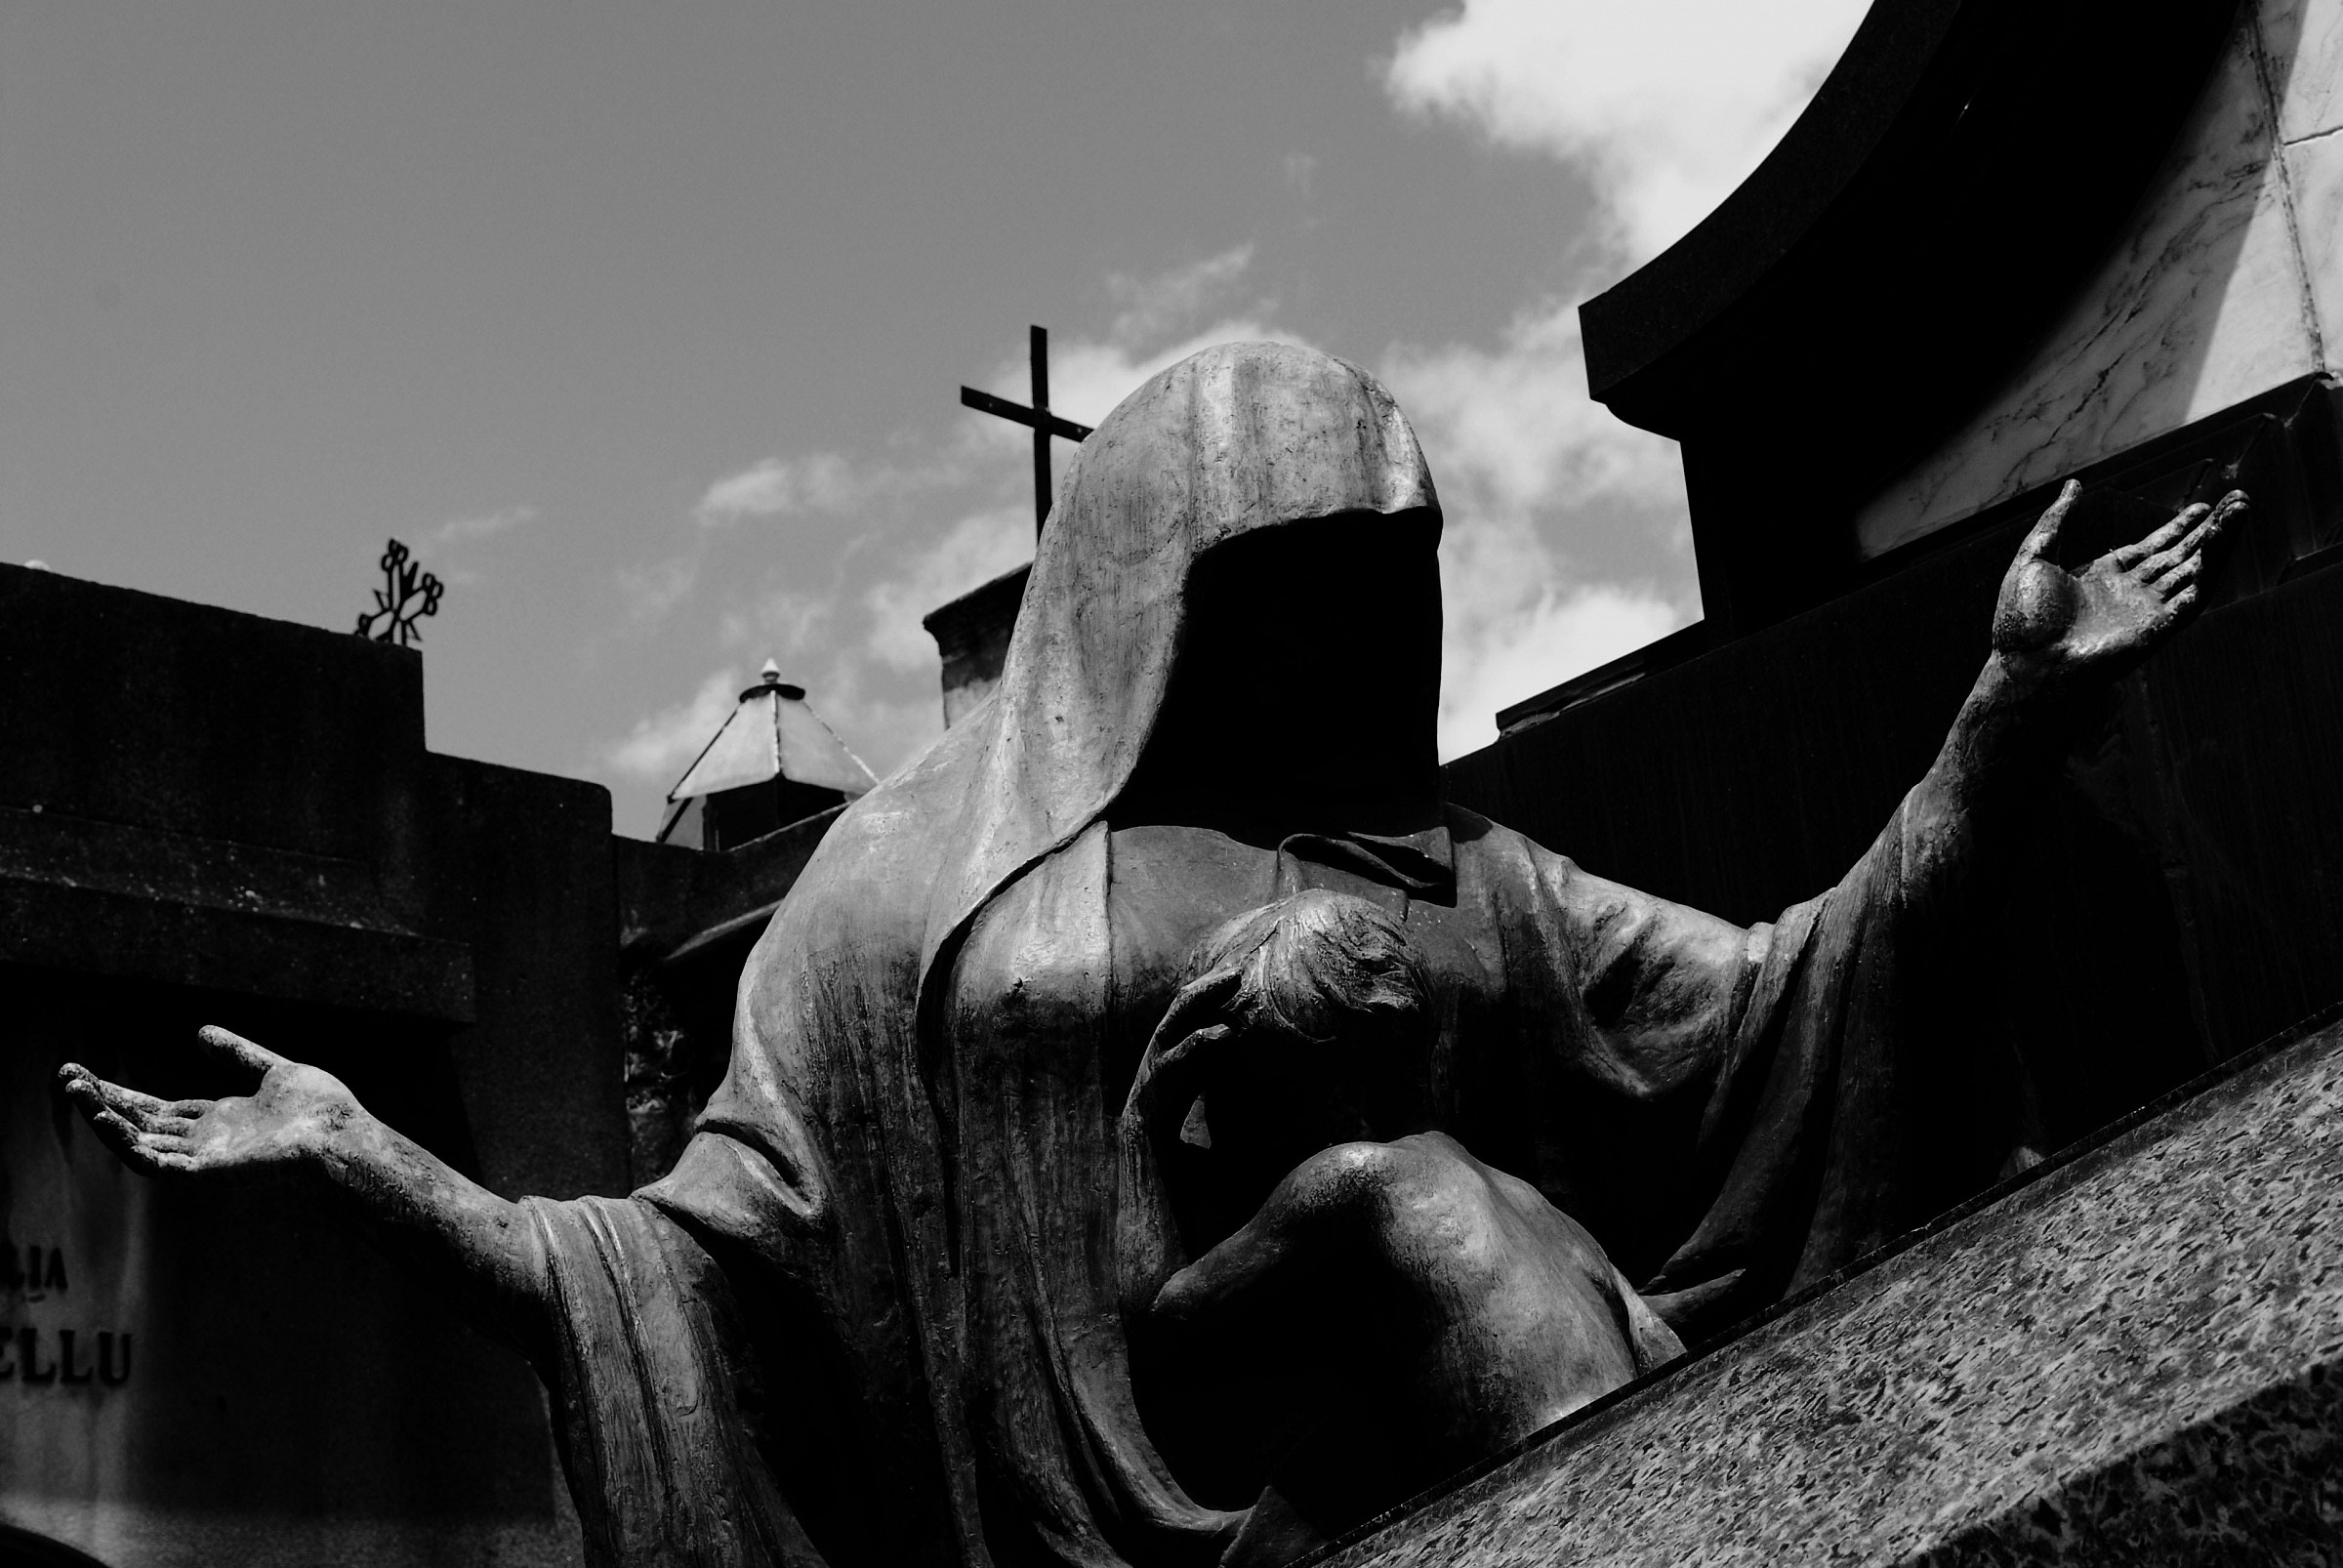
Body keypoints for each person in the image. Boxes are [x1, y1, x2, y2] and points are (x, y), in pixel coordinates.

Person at [60, 343, 2244, 1568]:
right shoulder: (915, 882)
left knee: (1437, 1214)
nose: (1331, 623)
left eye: (1376, 577)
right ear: (1161, 580)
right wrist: (374, 1161)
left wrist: (2004, 720)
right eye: (1284, 575)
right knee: (1407, 1204)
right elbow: (702, 1272)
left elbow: (1781, 1012)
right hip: (1114, 1515)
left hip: (1473, 1427)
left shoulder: (1438, 863)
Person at [1120, 889, 1684, 1567]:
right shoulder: (1532, 1204)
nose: (1222, 1134)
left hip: (1551, 1521)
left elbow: (1159, 1318)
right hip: (1648, 1487)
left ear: (1280, 1090)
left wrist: (1141, 1128)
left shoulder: (1352, 1180)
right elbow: (1665, 1357)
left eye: (1236, 1098)